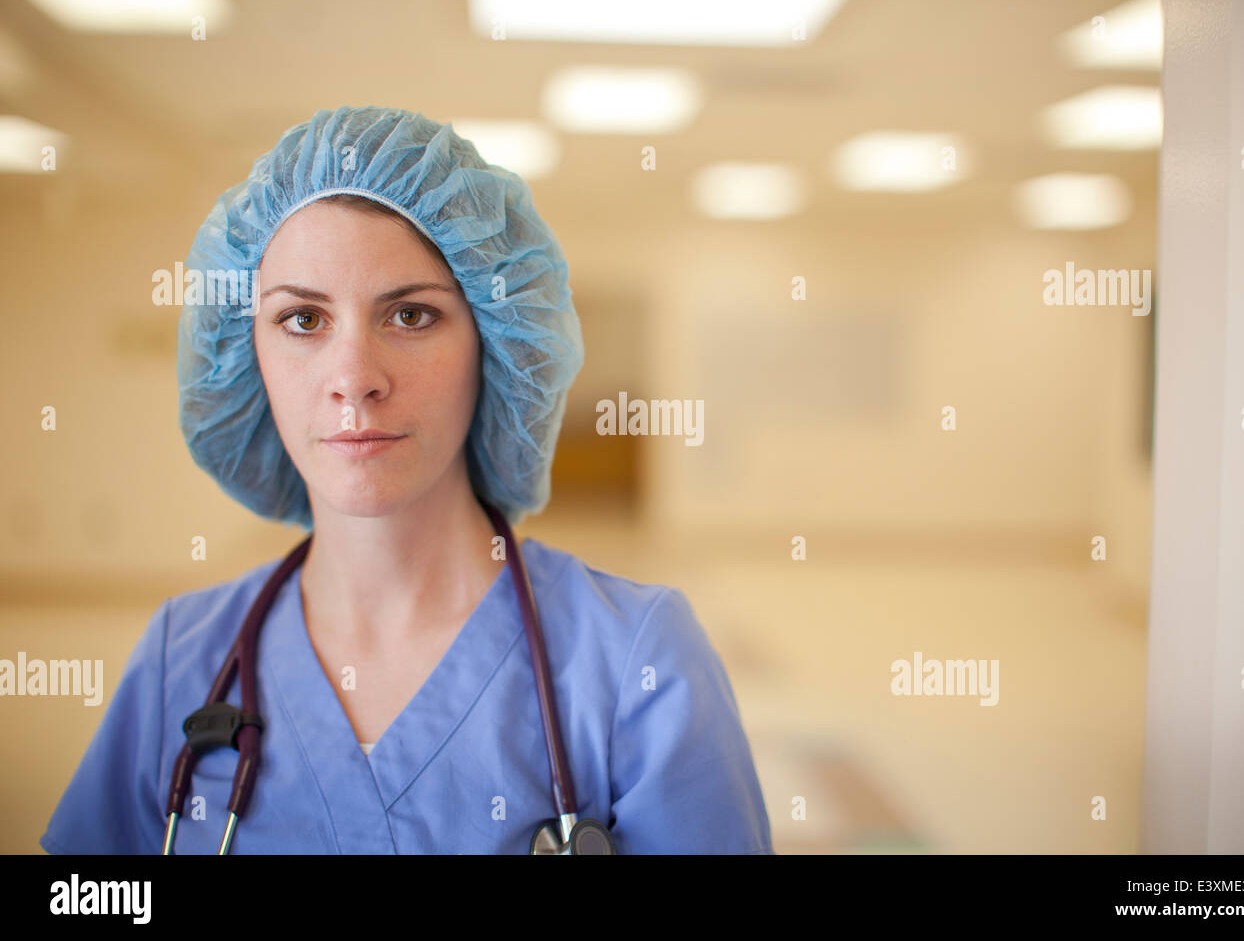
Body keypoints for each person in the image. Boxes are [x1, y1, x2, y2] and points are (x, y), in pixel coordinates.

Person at [39, 106, 773, 854]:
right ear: (244, 351)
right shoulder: (179, 660)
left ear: (495, 341)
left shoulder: (636, 666)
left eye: (412, 314)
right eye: (301, 320)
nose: (355, 379)